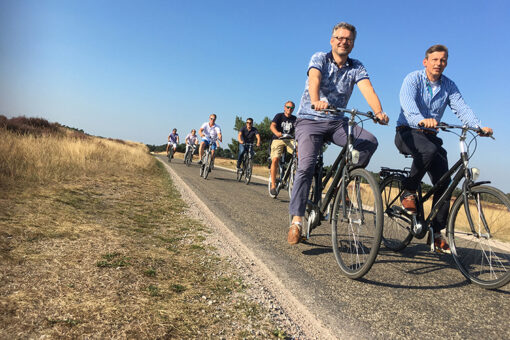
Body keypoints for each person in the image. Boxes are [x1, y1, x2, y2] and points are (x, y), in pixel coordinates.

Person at [288, 22, 388, 245]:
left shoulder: (356, 67)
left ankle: (343, 183)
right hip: (310, 120)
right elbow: (314, 78)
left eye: (348, 39)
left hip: (337, 122)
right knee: (306, 166)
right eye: (340, 38)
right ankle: (296, 220)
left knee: (369, 142)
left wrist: (378, 111)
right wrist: (316, 101)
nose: (344, 41)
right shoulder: (320, 58)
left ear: (353, 43)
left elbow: (367, 89)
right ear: (332, 41)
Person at [395, 44, 493, 253]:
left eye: (443, 60)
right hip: (407, 132)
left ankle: (437, 232)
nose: (439, 63)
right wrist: (421, 120)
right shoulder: (413, 79)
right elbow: (407, 104)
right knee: (429, 151)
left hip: (430, 137)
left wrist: (478, 127)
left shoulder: (449, 85)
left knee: (445, 183)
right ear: (426, 62)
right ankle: (409, 190)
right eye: (435, 59)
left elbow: (461, 107)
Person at [269, 101, 297, 197]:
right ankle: (273, 185)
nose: (289, 109)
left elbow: (299, 129)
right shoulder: (279, 116)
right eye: (288, 107)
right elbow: (272, 126)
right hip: (278, 139)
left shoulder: (295, 119)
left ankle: (294, 171)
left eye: (292, 108)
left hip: (290, 140)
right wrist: (277, 133)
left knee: (299, 153)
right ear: (284, 107)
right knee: (275, 159)